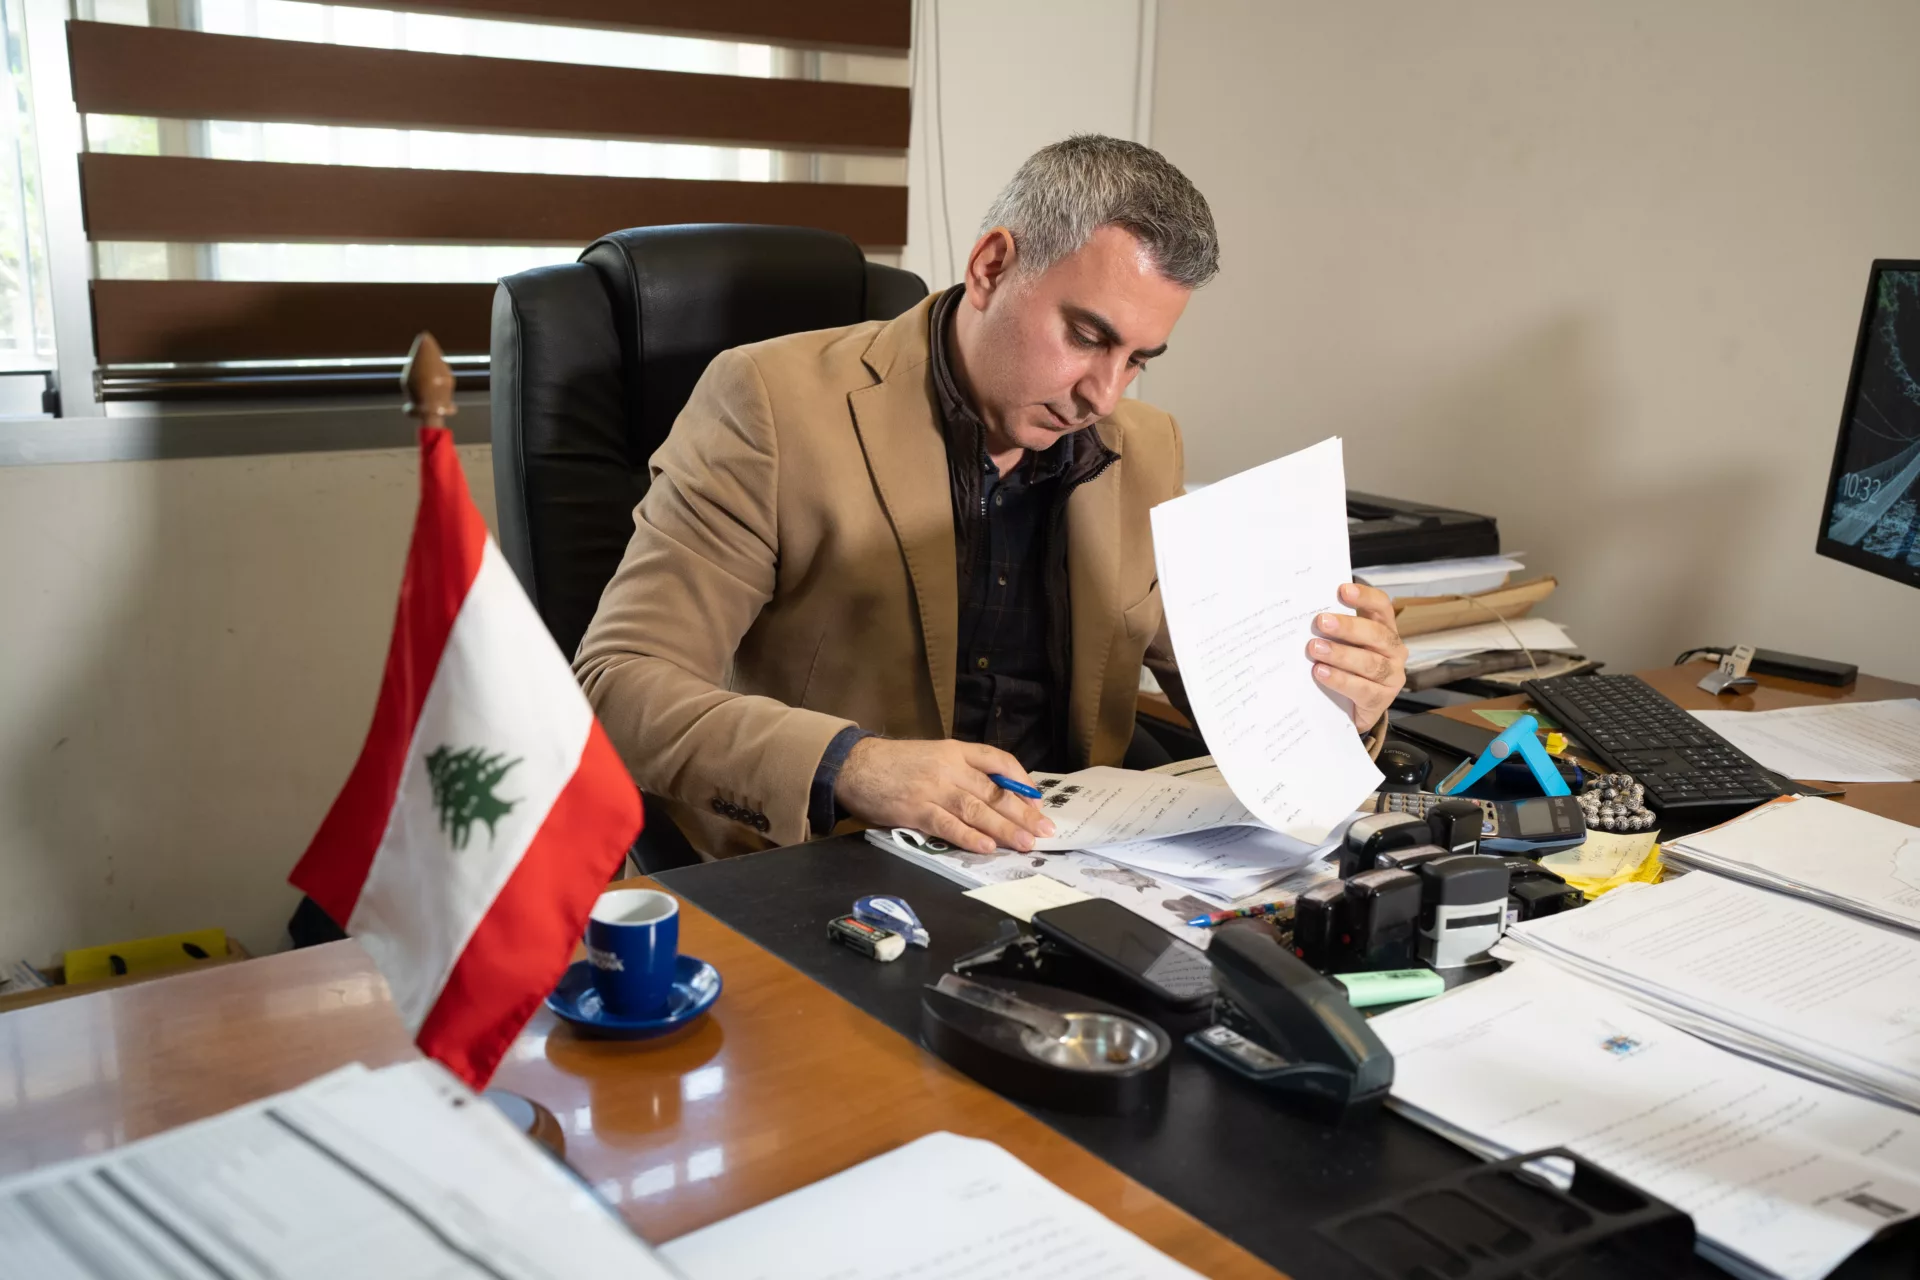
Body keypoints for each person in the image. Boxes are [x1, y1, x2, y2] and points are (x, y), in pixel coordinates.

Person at [575, 135, 1408, 861]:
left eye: (1138, 359)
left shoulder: (1145, 446)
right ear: (991, 267)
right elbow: (617, 684)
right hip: (836, 865)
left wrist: (1342, 700)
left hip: (1065, 865)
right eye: (1086, 336)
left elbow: (1243, 699)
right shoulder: (768, 404)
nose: (1104, 395)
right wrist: (853, 764)